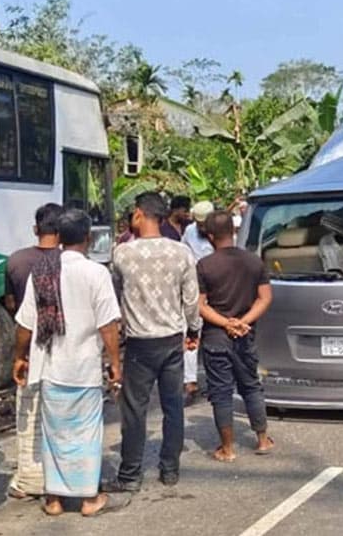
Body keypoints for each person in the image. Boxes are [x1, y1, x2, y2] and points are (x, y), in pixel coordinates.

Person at [13, 209, 132, 517]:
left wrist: (20, 357)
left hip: (50, 367)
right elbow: (108, 325)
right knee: (86, 435)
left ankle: (54, 499)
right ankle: (87, 499)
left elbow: (25, 323)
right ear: (88, 238)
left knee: (54, 435)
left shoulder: (41, 271)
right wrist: (115, 362)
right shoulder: (96, 273)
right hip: (83, 367)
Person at [107, 192, 201, 492]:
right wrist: (193, 330)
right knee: (173, 406)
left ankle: (130, 474)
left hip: (139, 342)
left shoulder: (122, 254)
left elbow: (116, 294)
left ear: (138, 214)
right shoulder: (182, 252)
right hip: (172, 339)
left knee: (135, 408)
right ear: (161, 217)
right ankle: (170, 469)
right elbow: (191, 300)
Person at [195, 211, 275, 461]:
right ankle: (262, 440)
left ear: (209, 236)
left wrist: (226, 323)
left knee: (221, 391)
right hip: (245, 335)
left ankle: (227, 448)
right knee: (251, 386)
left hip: (216, 338)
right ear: (234, 231)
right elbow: (265, 298)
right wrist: (243, 321)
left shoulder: (205, 265)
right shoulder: (254, 262)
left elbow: (201, 305)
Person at [2, 203, 65, 502]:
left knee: (29, 419)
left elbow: (14, 308)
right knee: (63, 420)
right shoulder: (71, 262)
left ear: (35, 229)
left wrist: (20, 354)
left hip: (32, 347)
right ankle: (63, 480)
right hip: (65, 351)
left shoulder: (16, 261)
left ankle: (29, 479)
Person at [181, 201, 216, 403]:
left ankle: (214, 382)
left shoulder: (218, 232)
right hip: (193, 290)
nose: (202, 228)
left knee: (213, 338)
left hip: (215, 289)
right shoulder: (189, 232)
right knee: (191, 336)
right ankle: (190, 382)